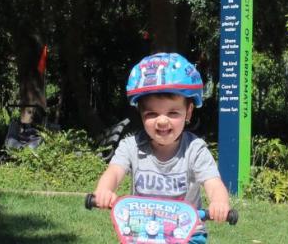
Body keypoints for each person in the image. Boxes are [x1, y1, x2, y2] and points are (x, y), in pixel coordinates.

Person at [91, 53, 231, 244]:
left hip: (187, 233)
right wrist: (104, 190)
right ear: (141, 114)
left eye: (173, 112)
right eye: (152, 113)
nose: (162, 121)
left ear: (188, 112)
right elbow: (114, 172)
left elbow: (213, 183)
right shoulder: (131, 145)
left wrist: (219, 203)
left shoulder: (195, 150)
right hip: (141, 229)